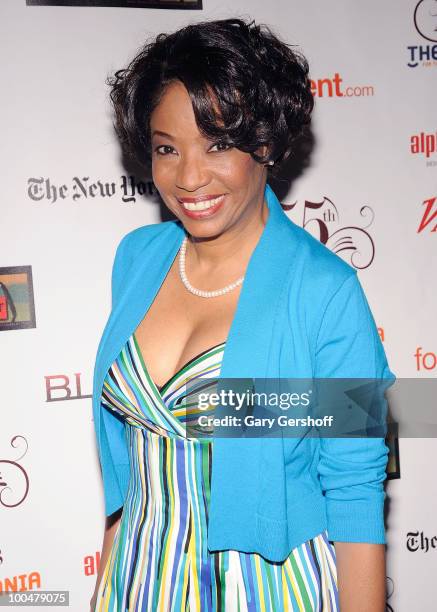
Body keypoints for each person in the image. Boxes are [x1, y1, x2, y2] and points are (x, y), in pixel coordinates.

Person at [90, 18, 395, 611]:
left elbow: (355, 491)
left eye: (219, 144)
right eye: (166, 148)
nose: (189, 177)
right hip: (139, 579)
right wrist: (106, 583)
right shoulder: (138, 260)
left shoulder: (323, 292)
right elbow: (131, 468)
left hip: (265, 589)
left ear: (267, 144)